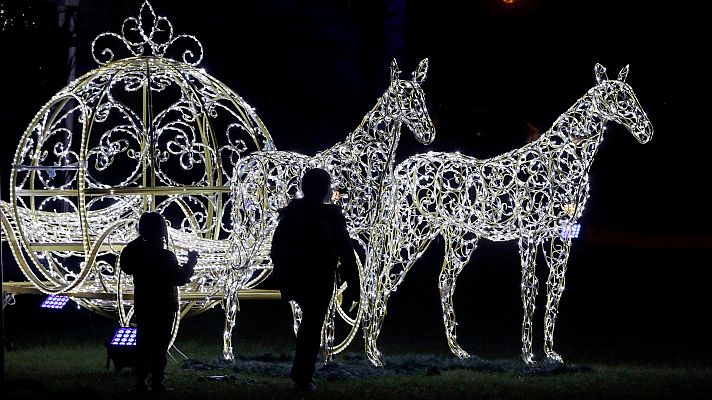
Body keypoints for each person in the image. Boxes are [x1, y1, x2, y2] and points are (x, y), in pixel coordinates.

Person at [270, 168, 359, 392]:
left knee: (310, 324)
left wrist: (283, 273)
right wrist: (354, 282)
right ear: (325, 189)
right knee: (312, 324)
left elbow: (277, 247)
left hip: (298, 277)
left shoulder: (292, 213)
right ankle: (303, 375)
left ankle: (302, 373)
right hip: (318, 277)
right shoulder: (329, 215)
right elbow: (345, 249)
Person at [120, 212, 198, 393]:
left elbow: (126, 265)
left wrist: (139, 240)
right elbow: (180, 278)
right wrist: (191, 263)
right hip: (163, 305)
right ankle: (157, 383)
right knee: (160, 346)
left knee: (143, 344)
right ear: (162, 231)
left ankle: (140, 383)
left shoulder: (138, 254)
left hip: (144, 304)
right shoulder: (165, 256)